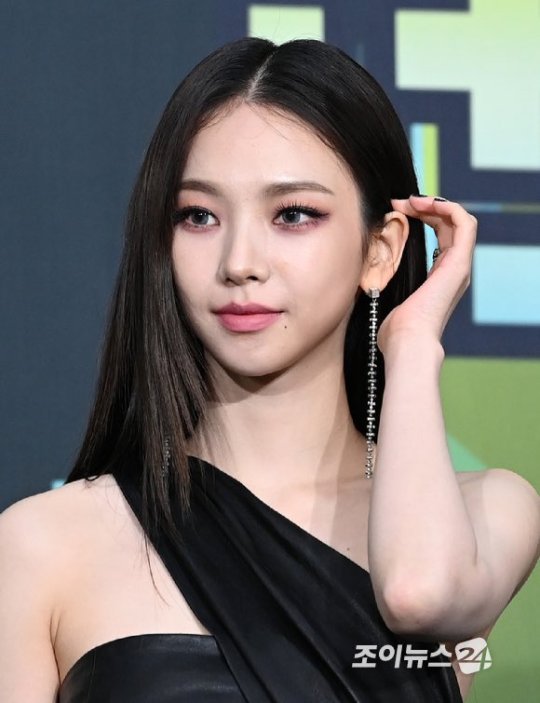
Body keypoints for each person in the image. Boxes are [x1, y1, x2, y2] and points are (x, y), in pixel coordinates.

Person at [0, 36, 538, 703]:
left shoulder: (486, 513)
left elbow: (417, 595)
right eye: (199, 216)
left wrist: (413, 343)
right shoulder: (43, 545)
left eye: (293, 214)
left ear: (380, 250)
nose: (239, 262)